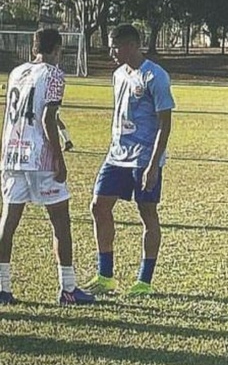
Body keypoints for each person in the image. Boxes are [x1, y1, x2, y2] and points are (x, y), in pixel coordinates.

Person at [0, 28, 94, 305]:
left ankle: (3, 288)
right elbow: (47, 118)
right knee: (60, 221)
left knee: (8, 223)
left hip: (13, 155)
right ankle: (68, 288)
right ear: (57, 49)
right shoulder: (54, 74)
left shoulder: (16, 72)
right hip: (40, 157)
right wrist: (59, 159)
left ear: (34, 48)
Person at [85, 24, 175, 297]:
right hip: (116, 156)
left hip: (143, 157)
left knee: (147, 213)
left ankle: (144, 281)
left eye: (115, 46)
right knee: (98, 207)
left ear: (132, 45)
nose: (111, 52)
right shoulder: (118, 75)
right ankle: (105, 276)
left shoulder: (155, 76)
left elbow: (165, 123)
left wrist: (153, 165)